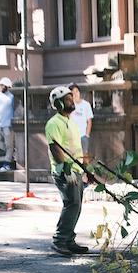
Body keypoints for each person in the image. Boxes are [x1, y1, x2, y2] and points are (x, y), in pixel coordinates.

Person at [45, 85, 89, 256]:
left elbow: (75, 148)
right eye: (68, 99)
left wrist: (84, 168)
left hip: (76, 169)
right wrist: (65, 169)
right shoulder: (54, 123)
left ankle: (69, 240)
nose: (71, 101)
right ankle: (59, 240)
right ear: (59, 104)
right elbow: (55, 148)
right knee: (71, 204)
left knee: (76, 206)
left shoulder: (71, 122)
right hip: (65, 171)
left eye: (71, 98)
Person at [0, 77, 17, 171]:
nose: (0, 87)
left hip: (8, 124)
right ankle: (11, 152)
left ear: (7, 86)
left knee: (9, 145)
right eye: (0, 85)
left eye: (2, 85)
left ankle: (7, 164)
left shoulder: (12, 96)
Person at [69, 83, 93, 157]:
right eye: (73, 93)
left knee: (84, 156)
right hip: (72, 136)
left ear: (79, 92)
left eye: (76, 91)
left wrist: (87, 135)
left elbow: (89, 121)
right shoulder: (69, 106)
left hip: (83, 136)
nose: (75, 94)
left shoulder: (86, 105)